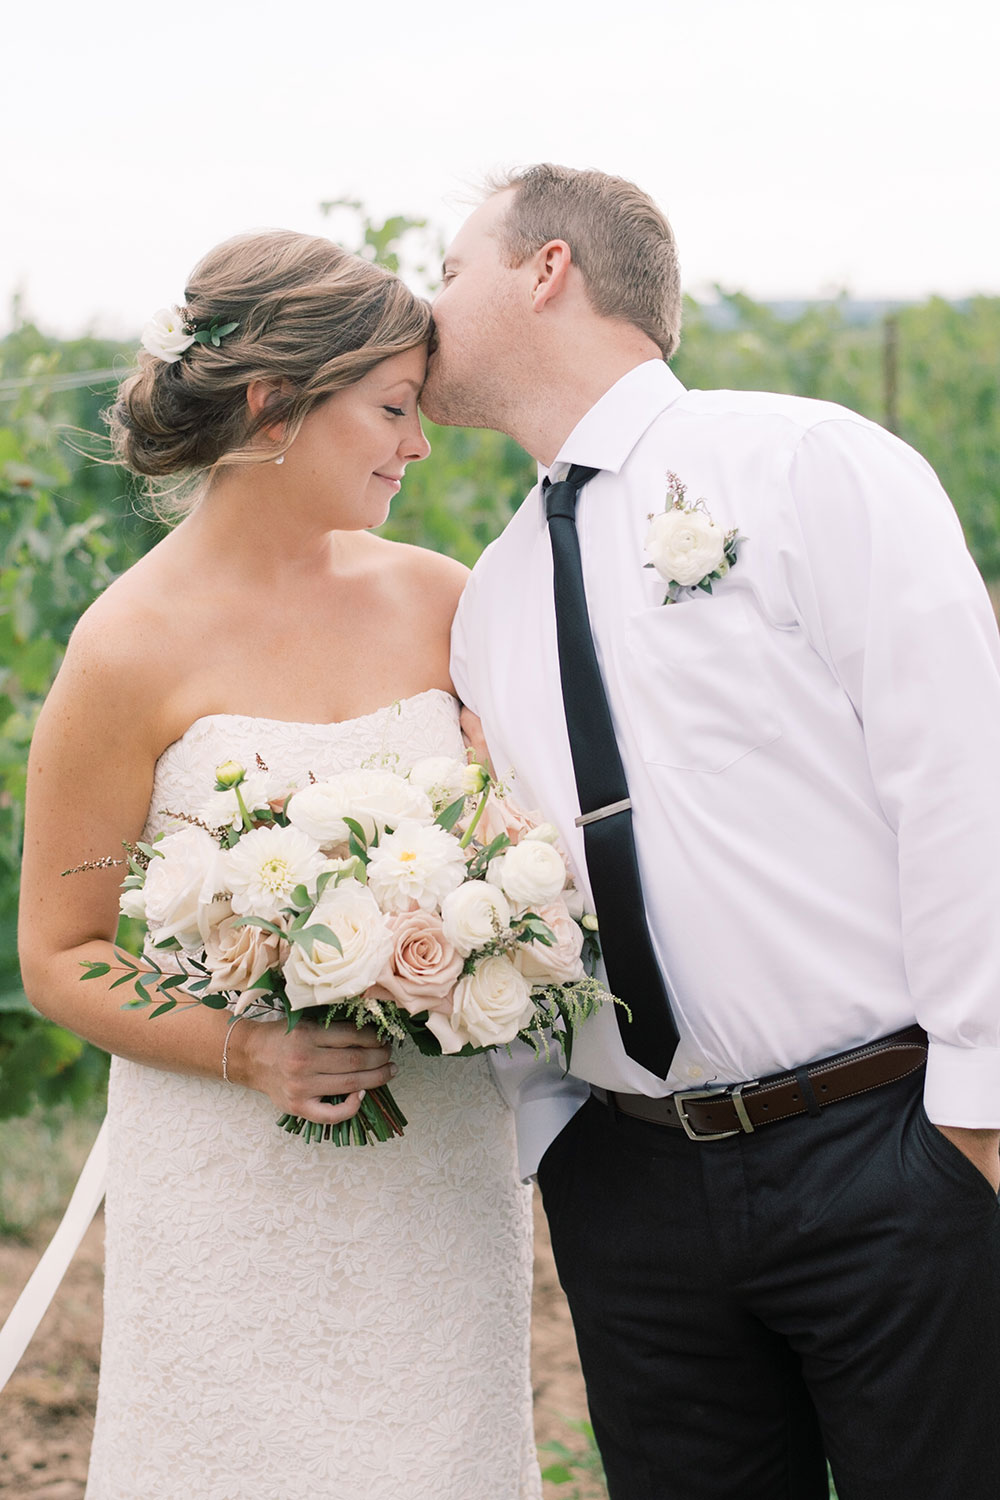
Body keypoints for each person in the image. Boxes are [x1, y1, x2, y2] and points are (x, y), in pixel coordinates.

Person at [426, 164, 1000, 1500]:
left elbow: (963, 776)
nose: (427, 301)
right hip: (628, 1191)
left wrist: (976, 1119)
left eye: (452, 268)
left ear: (548, 269)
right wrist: (556, 1133)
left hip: (888, 1149)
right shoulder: (493, 597)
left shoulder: (809, 464)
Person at [17, 230, 541, 1500]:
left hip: (436, 1162)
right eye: (394, 409)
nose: (416, 446)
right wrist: (247, 1048)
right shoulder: (124, 649)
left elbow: (534, 839)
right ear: (271, 405)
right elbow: (61, 952)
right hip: (228, 1171)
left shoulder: (442, 600)